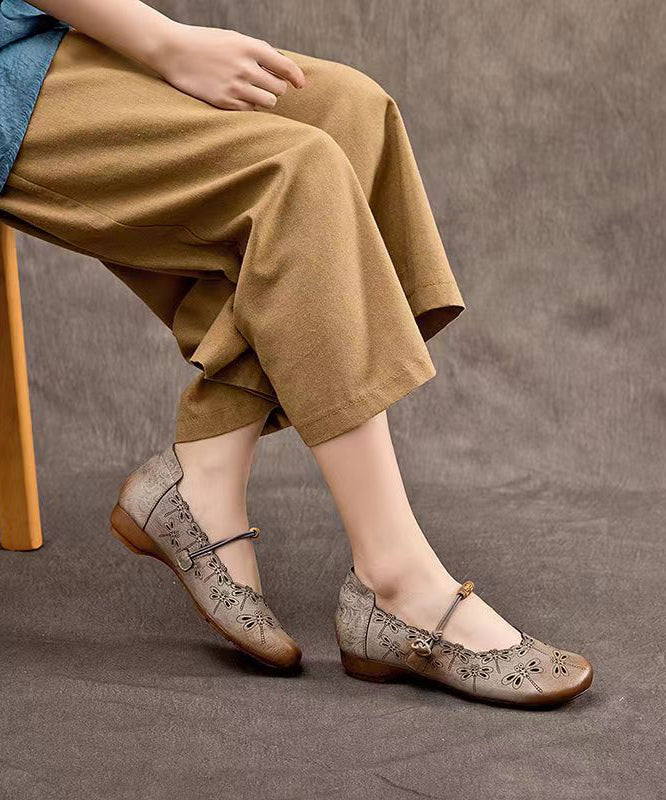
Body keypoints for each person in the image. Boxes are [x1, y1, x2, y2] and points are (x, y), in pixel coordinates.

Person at [0, 0, 592, 706]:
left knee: (351, 112)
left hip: (32, 29)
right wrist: (163, 43)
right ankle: (396, 579)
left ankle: (207, 472)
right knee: (297, 171)